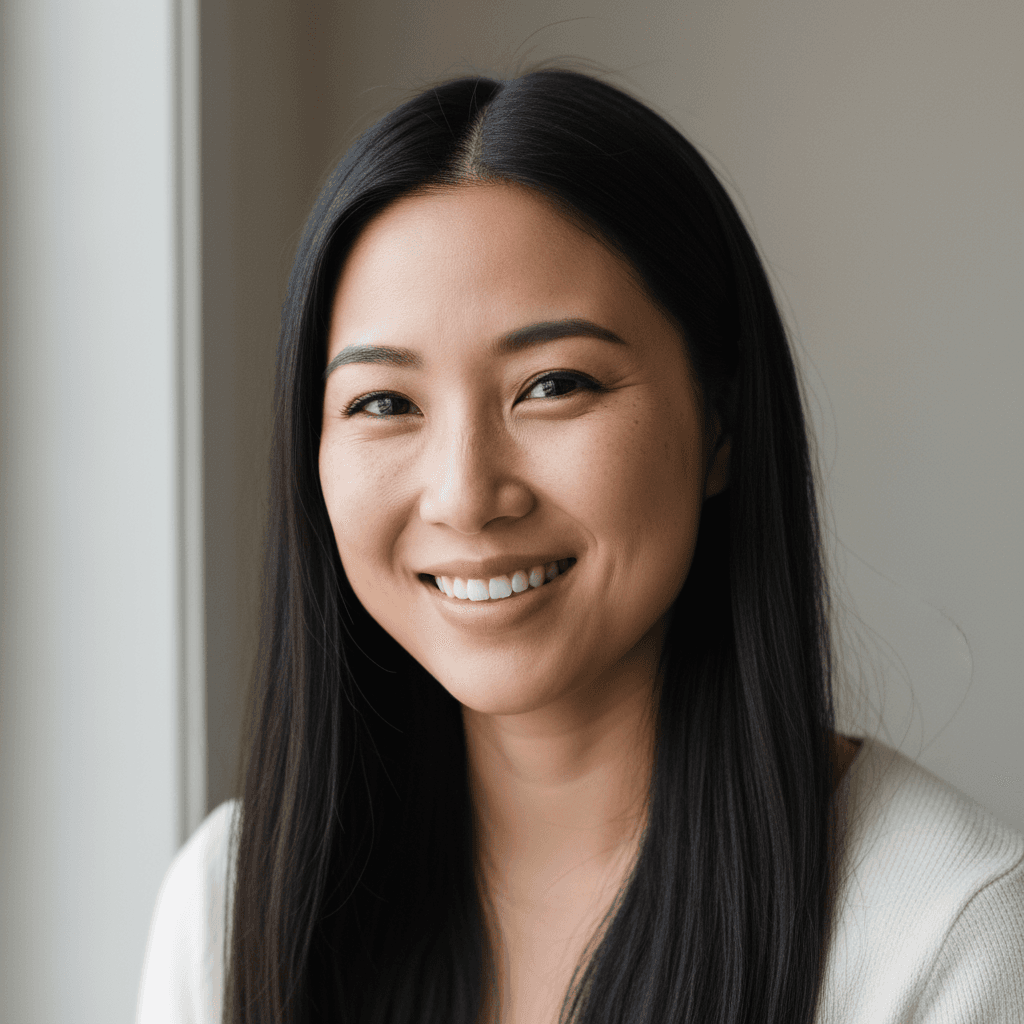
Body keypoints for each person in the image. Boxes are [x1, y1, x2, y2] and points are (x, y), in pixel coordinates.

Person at [137, 70, 1024, 1024]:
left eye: (554, 385)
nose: (465, 496)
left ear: (720, 422)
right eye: (384, 403)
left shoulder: (948, 939)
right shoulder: (230, 909)